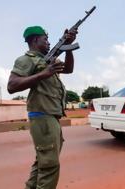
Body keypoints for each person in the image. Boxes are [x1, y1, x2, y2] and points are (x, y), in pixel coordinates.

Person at [7, 25, 77, 189]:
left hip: (50, 117)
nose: (48, 42)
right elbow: (12, 85)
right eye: (45, 39)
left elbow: (69, 69)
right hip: (42, 117)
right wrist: (44, 73)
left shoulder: (49, 59)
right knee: (50, 166)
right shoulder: (26, 60)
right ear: (35, 40)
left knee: (43, 162)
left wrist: (68, 47)